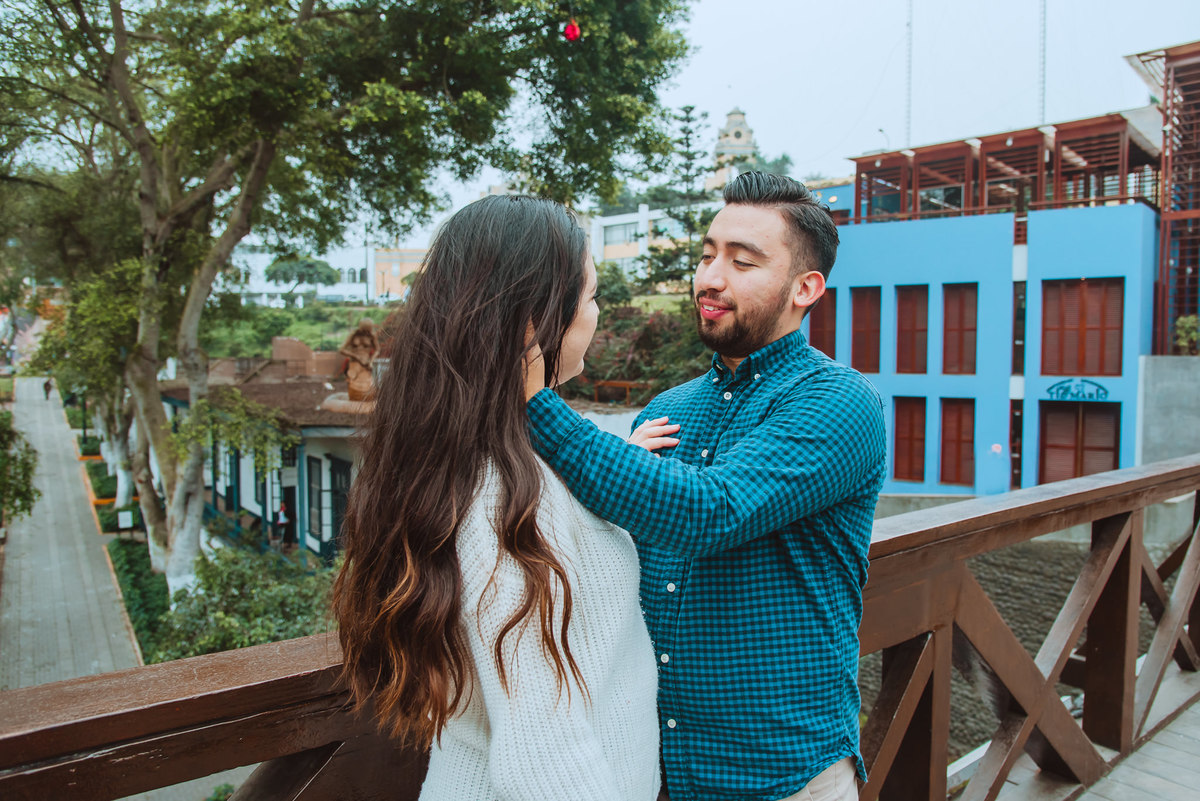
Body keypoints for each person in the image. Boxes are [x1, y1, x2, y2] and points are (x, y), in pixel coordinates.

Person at [524, 172, 887, 801]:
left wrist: (531, 399)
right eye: (707, 254)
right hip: (651, 770)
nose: (710, 277)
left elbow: (707, 513)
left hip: (783, 776)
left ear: (806, 288)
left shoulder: (838, 402)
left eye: (742, 261)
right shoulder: (669, 410)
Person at [331, 195, 660, 800]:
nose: (597, 313)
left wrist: (624, 459)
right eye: (589, 296)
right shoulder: (505, 499)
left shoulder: (478, 460)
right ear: (534, 324)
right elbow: (543, 756)